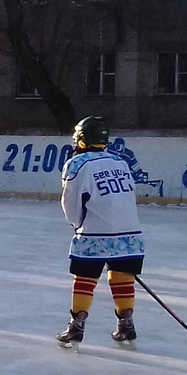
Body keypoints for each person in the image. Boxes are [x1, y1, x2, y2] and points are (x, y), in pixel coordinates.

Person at [56, 116, 144, 348]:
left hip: (95, 234)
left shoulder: (76, 164)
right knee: (123, 277)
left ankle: (77, 326)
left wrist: (77, 225)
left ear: (83, 140)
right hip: (131, 235)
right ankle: (126, 323)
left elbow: (71, 203)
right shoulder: (120, 162)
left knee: (85, 278)